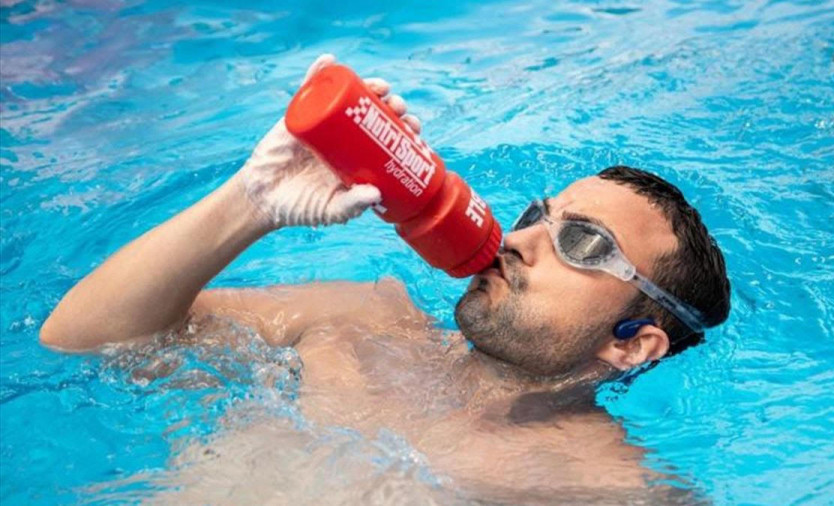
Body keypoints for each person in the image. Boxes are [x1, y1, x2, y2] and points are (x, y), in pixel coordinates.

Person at [39, 54, 730, 501]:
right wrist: (249, 203)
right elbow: (81, 340)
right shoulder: (356, 322)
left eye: (582, 241)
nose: (518, 239)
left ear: (633, 344)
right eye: (535, 216)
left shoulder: (605, 488)